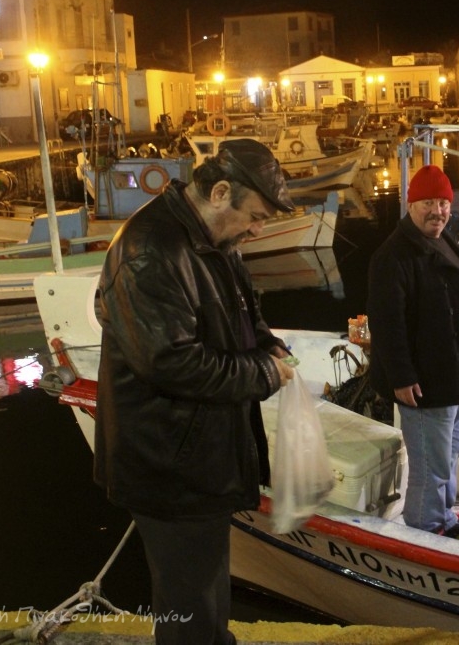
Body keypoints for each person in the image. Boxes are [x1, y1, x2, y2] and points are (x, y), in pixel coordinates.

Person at [95, 139, 297, 644]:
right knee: (187, 602)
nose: (258, 230)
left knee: (207, 587)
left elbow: (242, 312)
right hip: (168, 462)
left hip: (200, 455)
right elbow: (171, 363)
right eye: (255, 217)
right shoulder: (149, 250)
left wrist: (267, 343)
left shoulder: (214, 240)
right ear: (220, 192)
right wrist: (264, 373)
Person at [367, 165, 459, 534]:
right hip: (425, 385)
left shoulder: (441, 238)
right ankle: (425, 529)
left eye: (443, 203)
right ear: (411, 205)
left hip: (453, 375)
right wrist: (401, 377)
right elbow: (386, 323)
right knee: (431, 464)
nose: (438, 211)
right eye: (428, 202)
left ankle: (444, 518)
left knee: (450, 452)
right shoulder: (393, 256)